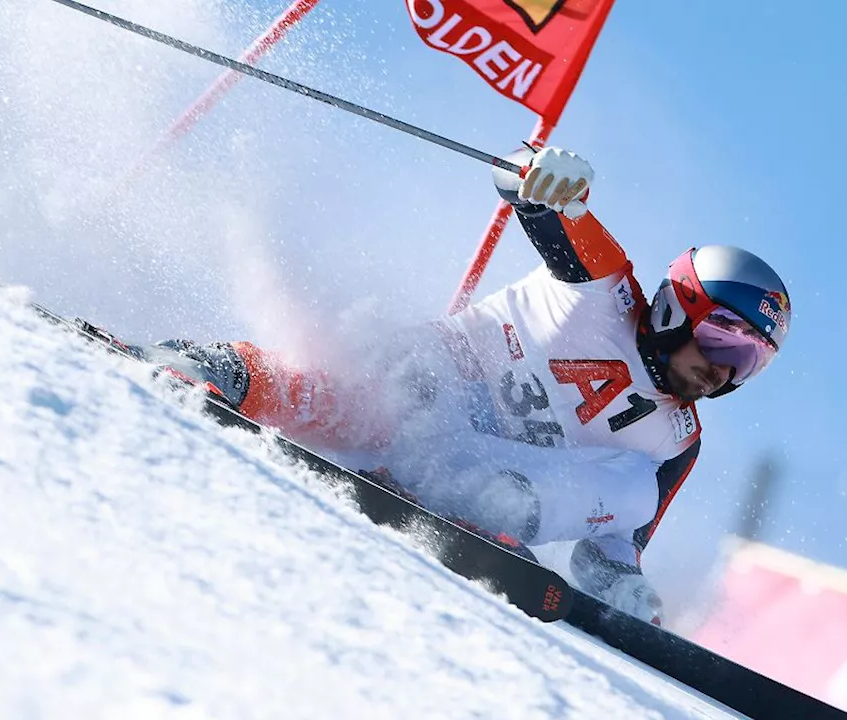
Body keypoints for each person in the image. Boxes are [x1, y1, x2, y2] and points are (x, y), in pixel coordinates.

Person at [141, 146, 792, 626]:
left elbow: (612, 547)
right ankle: (230, 372)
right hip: (424, 385)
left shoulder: (677, 440)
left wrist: (623, 588)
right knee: (374, 402)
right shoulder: (603, 289)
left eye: (749, 363)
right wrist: (545, 174)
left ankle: (478, 511)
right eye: (723, 341)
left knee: (633, 492)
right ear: (681, 306)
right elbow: (522, 182)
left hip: (485, 473)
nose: (723, 370)